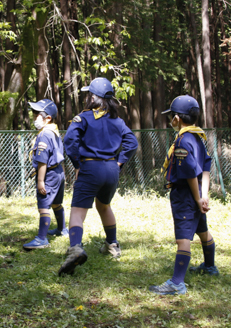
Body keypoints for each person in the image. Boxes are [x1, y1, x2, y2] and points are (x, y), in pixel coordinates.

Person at [58, 77, 138, 276]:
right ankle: (112, 244)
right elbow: (132, 143)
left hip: (90, 168)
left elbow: (70, 141)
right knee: (104, 205)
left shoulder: (84, 117)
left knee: (78, 211)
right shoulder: (117, 120)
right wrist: (119, 161)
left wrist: (77, 164)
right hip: (111, 169)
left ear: (93, 97)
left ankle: (75, 248)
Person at [149, 95, 219, 295]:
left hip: (186, 195)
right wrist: (204, 196)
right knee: (202, 230)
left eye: (171, 116)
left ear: (178, 118)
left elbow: (189, 173)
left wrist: (197, 198)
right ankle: (209, 266)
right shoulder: (197, 136)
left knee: (183, 239)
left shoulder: (183, 140)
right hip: (197, 192)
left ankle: (177, 283)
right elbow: (206, 166)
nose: (170, 120)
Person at [23, 99, 67, 250]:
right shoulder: (54, 131)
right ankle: (62, 229)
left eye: (37, 115)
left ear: (47, 118)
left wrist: (40, 181)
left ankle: (41, 239)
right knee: (56, 203)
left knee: (43, 205)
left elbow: (42, 161)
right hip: (59, 172)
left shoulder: (44, 135)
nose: (34, 117)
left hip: (48, 174)